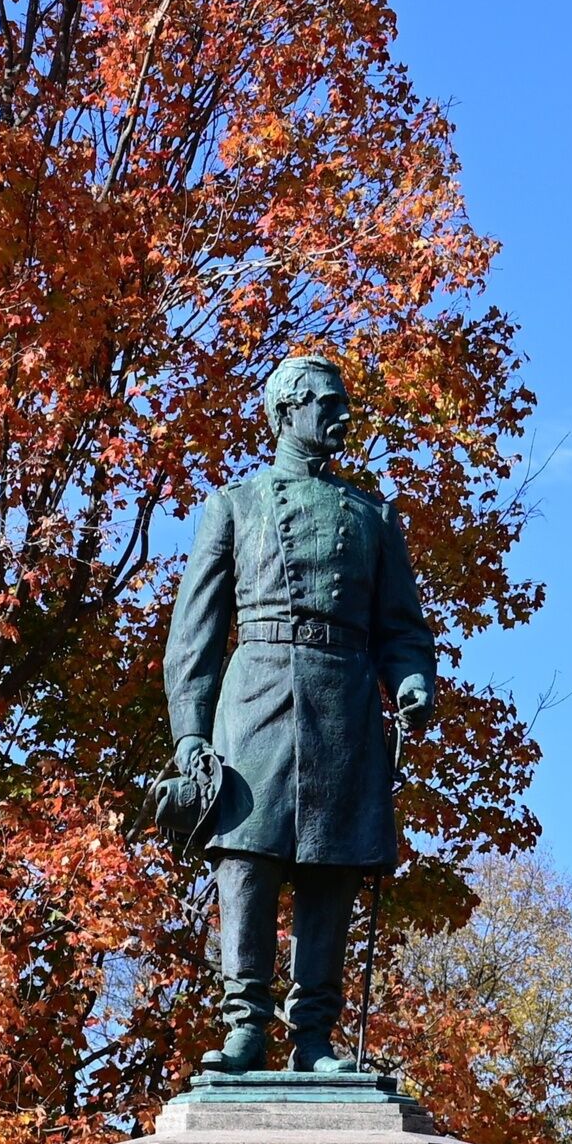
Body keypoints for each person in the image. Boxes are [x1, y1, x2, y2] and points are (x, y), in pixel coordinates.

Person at [159, 353, 437, 1072]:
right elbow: (193, 632)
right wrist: (189, 733)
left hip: (343, 700)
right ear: (287, 412)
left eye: (343, 400)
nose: (342, 413)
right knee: (246, 860)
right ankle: (244, 1026)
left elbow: (402, 627)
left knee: (331, 866)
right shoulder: (235, 505)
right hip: (255, 699)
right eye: (326, 401)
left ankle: (312, 1035)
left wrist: (411, 680)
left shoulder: (374, 516)